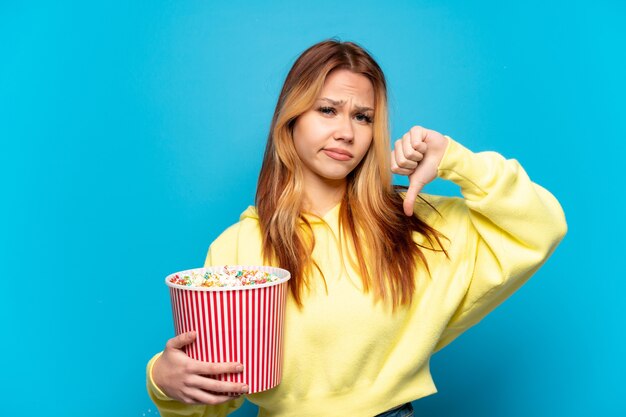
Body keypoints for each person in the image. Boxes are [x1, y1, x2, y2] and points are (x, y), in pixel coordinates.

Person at [146, 39, 567, 417]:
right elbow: (212, 397)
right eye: (327, 110)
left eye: (363, 117)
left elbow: (542, 226)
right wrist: (163, 380)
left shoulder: (411, 221)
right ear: (291, 118)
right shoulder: (238, 249)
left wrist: (458, 161)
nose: (345, 132)